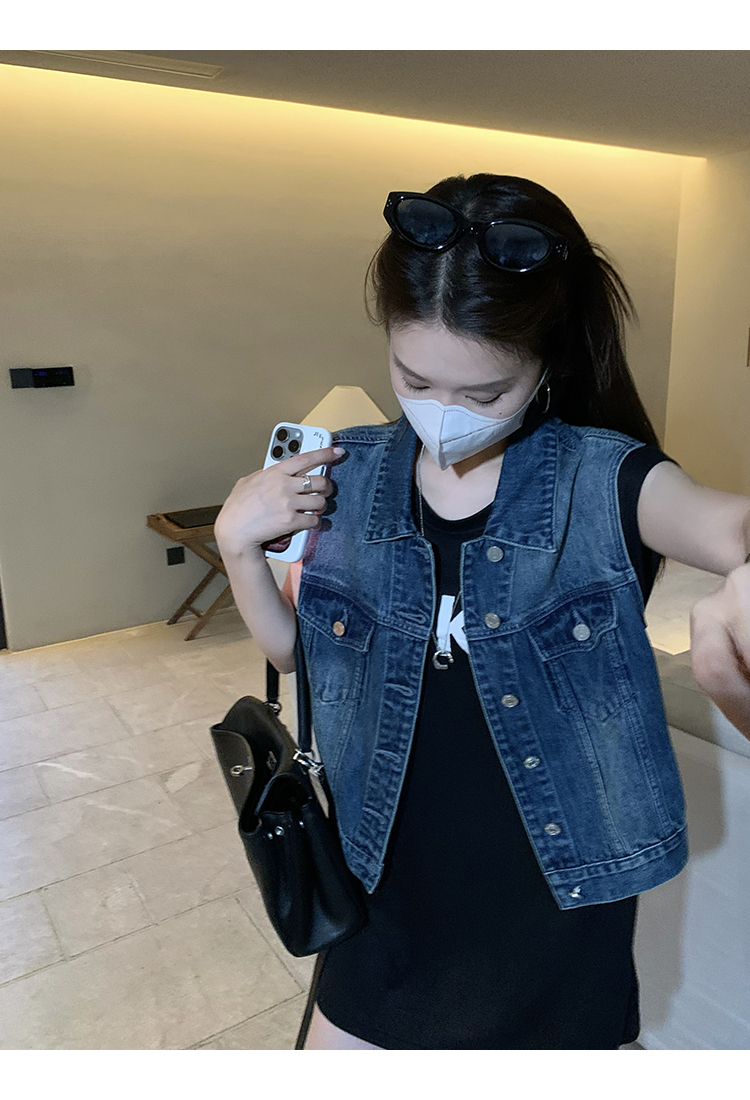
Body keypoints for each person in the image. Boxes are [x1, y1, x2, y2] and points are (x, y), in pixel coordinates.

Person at [215, 173, 750, 1050]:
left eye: (486, 393)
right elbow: (292, 657)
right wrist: (238, 548)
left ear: (546, 364)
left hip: (553, 879)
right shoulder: (344, 474)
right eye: (414, 378)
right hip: (381, 862)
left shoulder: (604, 478)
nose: (443, 416)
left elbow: (731, 525)